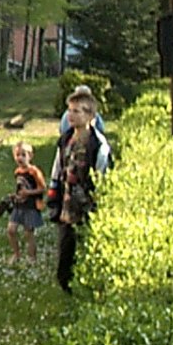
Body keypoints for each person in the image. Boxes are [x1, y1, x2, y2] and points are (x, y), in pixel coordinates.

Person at [51, 95, 112, 292]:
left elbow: (103, 175)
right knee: (65, 254)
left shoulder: (98, 145)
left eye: (77, 111)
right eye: (69, 110)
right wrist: (53, 197)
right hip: (66, 206)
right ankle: (67, 287)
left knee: (85, 248)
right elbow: (57, 168)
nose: (71, 115)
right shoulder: (65, 140)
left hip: (86, 206)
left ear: (90, 116)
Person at [6, 140, 48, 265]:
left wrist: (28, 193)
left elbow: (43, 188)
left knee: (28, 233)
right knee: (11, 230)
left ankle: (32, 258)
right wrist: (15, 196)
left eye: (23, 155)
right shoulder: (17, 172)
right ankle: (16, 254)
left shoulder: (34, 171)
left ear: (30, 156)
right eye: (17, 155)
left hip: (31, 206)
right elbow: (20, 188)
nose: (20, 158)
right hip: (19, 205)